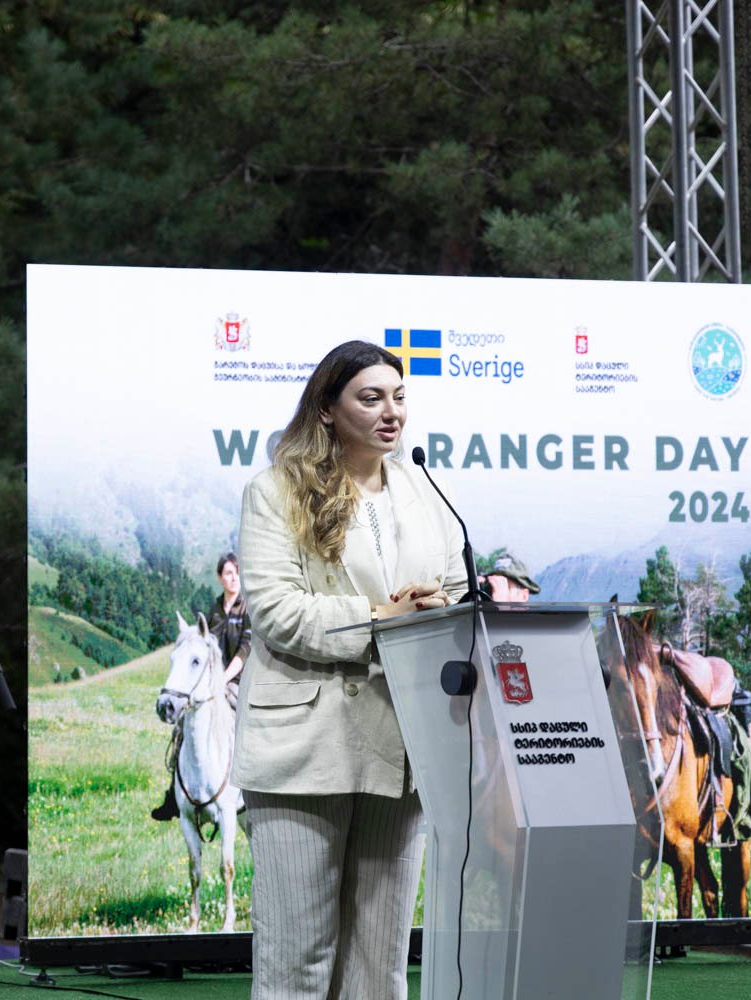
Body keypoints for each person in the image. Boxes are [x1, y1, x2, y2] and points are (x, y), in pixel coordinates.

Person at [233, 340, 466, 1000]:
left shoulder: (426, 488)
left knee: (378, 964)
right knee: (297, 961)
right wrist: (380, 617)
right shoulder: (274, 490)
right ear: (327, 409)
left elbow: (454, 587)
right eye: (371, 398)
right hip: (303, 749)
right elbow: (276, 612)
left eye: (398, 397)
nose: (391, 412)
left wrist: (440, 606)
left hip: (403, 744)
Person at [151, 552, 252, 822]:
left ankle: (253, 788)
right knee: (182, 729)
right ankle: (173, 796)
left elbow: (245, 650)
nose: (234, 578)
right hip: (210, 685)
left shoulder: (248, 608)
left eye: (237, 572)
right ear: (220, 578)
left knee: (246, 724)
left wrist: (223, 679)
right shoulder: (215, 610)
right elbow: (203, 646)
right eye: (228, 573)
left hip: (239, 682)